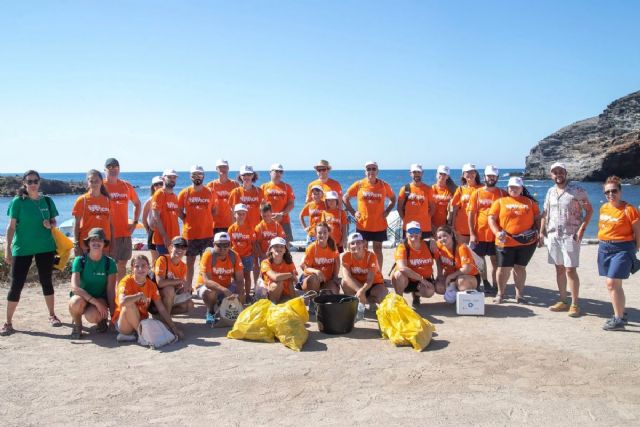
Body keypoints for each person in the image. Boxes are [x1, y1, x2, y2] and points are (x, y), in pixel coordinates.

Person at [2, 170, 61, 336]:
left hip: (45, 247)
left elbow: (54, 221)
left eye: (35, 181)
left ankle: (52, 315)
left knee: (46, 281)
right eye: (29, 181)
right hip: (22, 248)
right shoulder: (17, 202)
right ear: (24, 184)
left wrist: (50, 224)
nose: (33, 184)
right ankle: (8, 322)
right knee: (16, 284)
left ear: (39, 182)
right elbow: (11, 227)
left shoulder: (47, 201)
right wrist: (7, 249)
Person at [540, 162, 593, 317]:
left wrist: (582, 230)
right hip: (554, 235)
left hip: (571, 235)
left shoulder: (577, 191)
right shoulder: (550, 192)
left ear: (566, 173)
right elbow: (545, 213)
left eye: (561, 172)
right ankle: (563, 300)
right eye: (555, 172)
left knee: (570, 269)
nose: (558, 175)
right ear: (551, 175)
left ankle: (575, 304)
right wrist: (541, 233)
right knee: (559, 268)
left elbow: (589, 210)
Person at [488, 177, 541, 304]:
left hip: (526, 242)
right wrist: (497, 232)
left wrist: (540, 233)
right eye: (511, 187)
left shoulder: (530, 202)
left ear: (522, 188)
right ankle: (500, 294)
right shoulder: (500, 202)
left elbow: (538, 218)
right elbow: (491, 219)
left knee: (520, 268)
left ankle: (520, 295)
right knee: (503, 268)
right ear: (507, 188)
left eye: (517, 187)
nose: (514, 189)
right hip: (505, 241)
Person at [596, 175, 640, 331]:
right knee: (615, 285)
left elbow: (638, 233)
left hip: (622, 248)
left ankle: (619, 319)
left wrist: (635, 250)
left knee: (612, 283)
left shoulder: (630, 210)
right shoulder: (604, 208)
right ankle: (620, 313)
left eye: (614, 191)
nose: (610, 195)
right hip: (604, 248)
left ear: (620, 191)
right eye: (607, 192)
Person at [112, 255, 183, 343]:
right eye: (137, 266)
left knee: (165, 327)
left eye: (143, 265)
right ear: (132, 268)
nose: (140, 269)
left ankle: (132, 336)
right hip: (124, 323)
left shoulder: (151, 285)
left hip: (141, 320)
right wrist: (138, 296)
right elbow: (122, 302)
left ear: (148, 267)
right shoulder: (126, 281)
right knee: (129, 305)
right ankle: (141, 335)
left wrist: (173, 327)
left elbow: (161, 308)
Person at [344, 161, 396, 268]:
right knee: (363, 250)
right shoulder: (359, 184)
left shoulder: (383, 185)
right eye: (368, 169)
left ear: (377, 171)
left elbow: (393, 198)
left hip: (379, 224)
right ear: (365, 171)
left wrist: (388, 211)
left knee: (378, 249)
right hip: (363, 224)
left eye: (373, 169)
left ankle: (379, 273)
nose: (371, 171)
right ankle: (365, 272)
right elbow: (345, 198)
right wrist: (353, 212)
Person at [68, 228, 116, 339]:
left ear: (104, 244)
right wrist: (94, 302)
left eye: (100, 240)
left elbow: (110, 291)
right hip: (82, 298)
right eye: (93, 240)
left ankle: (101, 320)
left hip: (100, 298)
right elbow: (75, 287)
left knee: (92, 316)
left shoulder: (110, 263)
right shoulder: (79, 260)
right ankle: (78, 325)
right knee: (75, 302)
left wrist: (113, 317)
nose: (96, 243)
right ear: (88, 243)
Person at [467, 165, 506, 295]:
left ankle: (495, 284)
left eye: (493, 176)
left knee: (495, 261)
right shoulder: (476, 193)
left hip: (496, 234)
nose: (491, 178)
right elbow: (471, 215)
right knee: (480, 260)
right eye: (489, 175)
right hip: (480, 234)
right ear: (484, 176)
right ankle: (485, 282)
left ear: (497, 177)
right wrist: (472, 233)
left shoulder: (502, 193)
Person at [178, 165, 216, 291]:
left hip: (207, 235)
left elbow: (214, 210)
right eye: (194, 175)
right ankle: (188, 288)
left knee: (205, 264)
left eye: (199, 175)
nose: (197, 177)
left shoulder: (210, 192)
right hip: (190, 235)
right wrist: (186, 219)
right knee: (189, 264)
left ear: (203, 176)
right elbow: (179, 211)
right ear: (190, 176)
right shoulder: (185, 192)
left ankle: (204, 288)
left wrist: (205, 219)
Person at [103, 157, 141, 282]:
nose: (113, 169)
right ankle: (108, 294)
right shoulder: (101, 186)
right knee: (107, 266)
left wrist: (135, 223)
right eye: (110, 167)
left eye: (116, 167)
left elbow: (137, 203)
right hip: (107, 234)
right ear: (105, 170)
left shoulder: (126, 186)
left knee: (122, 265)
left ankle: (120, 292)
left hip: (124, 233)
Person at [197, 232, 245, 323]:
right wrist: (224, 290)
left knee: (242, 291)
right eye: (219, 245)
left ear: (230, 245)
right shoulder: (208, 255)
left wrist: (238, 294)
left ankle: (237, 311)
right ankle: (210, 312)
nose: (223, 248)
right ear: (214, 244)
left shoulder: (234, 255)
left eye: (226, 244)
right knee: (211, 291)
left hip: (226, 286)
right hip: (207, 287)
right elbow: (207, 281)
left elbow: (240, 279)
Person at [391, 221, 439, 306]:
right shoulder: (403, 247)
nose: (414, 234)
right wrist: (421, 279)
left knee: (430, 292)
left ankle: (416, 295)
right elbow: (402, 268)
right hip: (408, 280)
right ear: (406, 234)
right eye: (411, 232)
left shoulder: (429, 245)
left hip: (423, 279)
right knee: (399, 274)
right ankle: (399, 300)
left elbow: (439, 259)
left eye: (416, 231)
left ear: (420, 233)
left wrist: (433, 240)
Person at [341, 232, 388, 310]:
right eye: (352, 243)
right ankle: (355, 304)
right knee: (344, 283)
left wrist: (362, 291)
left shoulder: (371, 256)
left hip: (373, 284)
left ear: (363, 244)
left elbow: (370, 279)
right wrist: (360, 291)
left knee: (382, 295)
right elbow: (346, 277)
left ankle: (369, 302)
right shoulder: (346, 256)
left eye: (358, 242)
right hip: (357, 284)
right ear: (349, 246)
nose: (356, 245)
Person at [435, 225, 480, 304]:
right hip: (451, 277)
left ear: (451, 235)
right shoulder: (439, 246)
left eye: (445, 236)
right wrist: (440, 274)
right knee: (439, 287)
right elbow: (438, 259)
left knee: (461, 281)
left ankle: (466, 291)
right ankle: (455, 292)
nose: (442, 239)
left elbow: (467, 269)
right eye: (439, 237)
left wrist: (450, 276)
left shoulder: (461, 248)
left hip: (469, 276)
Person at [72, 169, 112, 256]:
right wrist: (76, 244)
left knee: (102, 269)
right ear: (88, 183)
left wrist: (113, 244)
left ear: (101, 181)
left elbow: (111, 224)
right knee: (86, 269)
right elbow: (76, 224)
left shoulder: (107, 200)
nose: (94, 183)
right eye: (91, 181)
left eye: (96, 181)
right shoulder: (82, 200)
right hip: (87, 245)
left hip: (104, 244)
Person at [154, 236, 193, 315]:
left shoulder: (183, 266)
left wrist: (185, 289)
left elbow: (177, 286)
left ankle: (162, 314)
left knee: (189, 305)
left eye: (183, 247)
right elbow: (160, 283)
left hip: (168, 296)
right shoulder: (162, 259)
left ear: (186, 250)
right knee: (169, 290)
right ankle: (167, 320)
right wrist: (181, 281)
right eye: (177, 246)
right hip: (155, 297)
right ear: (171, 247)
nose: (180, 250)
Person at [300, 222, 341, 294]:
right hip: (313, 279)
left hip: (327, 280)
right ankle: (313, 298)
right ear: (315, 234)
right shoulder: (312, 248)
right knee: (313, 279)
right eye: (319, 233)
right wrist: (317, 271)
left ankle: (321, 293)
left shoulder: (332, 245)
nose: (322, 235)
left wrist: (335, 276)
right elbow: (305, 268)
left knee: (334, 293)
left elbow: (337, 260)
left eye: (325, 232)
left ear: (328, 233)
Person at [397, 163, 435, 239]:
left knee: (425, 249)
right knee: (409, 250)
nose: (417, 174)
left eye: (419, 172)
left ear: (422, 173)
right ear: (410, 173)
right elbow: (399, 208)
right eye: (414, 172)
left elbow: (432, 208)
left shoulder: (428, 189)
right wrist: (405, 219)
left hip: (425, 228)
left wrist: (426, 218)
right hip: (409, 227)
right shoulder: (405, 189)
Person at [260, 163, 295, 242]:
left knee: (286, 245)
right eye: (276, 171)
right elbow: (261, 205)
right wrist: (267, 216)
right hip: (267, 221)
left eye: (281, 172)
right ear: (270, 172)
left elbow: (291, 204)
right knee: (266, 244)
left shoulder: (287, 187)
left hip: (284, 221)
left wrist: (281, 214)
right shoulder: (263, 187)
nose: (279, 173)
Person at [228, 203, 256, 299]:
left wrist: (253, 255)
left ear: (246, 214)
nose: (241, 216)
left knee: (247, 276)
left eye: (243, 213)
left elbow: (253, 242)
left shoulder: (250, 228)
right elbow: (229, 244)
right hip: (235, 257)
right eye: (239, 213)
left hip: (247, 256)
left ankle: (247, 295)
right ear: (235, 214)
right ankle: (238, 294)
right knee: (235, 277)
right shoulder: (231, 228)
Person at [258, 237, 298, 303]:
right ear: (271, 249)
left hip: (285, 293)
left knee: (289, 282)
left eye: (282, 247)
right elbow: (275, 277)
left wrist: (293, 299)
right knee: (278, 283)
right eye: (276, 246)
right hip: (268, 294)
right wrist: (290, 274)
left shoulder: (289, 263)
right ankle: (273, 304)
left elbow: (294, 281)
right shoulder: (265, 262)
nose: (279, 248)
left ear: (285, 250)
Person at [151, 169, 181, 256]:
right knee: (164, 265)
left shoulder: (174, 196)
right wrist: (165, 236)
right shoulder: (159, 194)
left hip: (175, 238)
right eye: (169, 177)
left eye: (174, 177)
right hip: (163, 239)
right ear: (164, 178)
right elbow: (156, 217)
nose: (172, 179)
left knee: (173, 266)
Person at [451, 163, 482, 244]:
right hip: (462, 227)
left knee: (478, 255)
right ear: (463, 175)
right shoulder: (460, 189)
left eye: (472, 172)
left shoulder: (483, 188)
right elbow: (455, 209)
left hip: (478, 227)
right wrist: (453, 225)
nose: (470, 174)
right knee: (463, 252)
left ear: (476, 174)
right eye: (467, 172)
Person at [207, 159, 238, 234]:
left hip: (231, 224)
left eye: (224, 167)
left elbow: (238, 205)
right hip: (215, 225)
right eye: (220, 167)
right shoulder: (211, 185)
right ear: (216, 169)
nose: (223, 169)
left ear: (228, 168)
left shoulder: (235, 185)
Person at [228, 165, 263, 231]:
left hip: (256, 228)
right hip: (241, 230)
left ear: (253, 175)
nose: (246, 177)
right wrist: (234, 230)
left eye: (249, 174)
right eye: (244, 175)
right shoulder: (235, 192)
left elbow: (262, 212)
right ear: (240, 176)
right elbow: (232, 214)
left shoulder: (259, 191)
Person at [141, 176, 164, 264]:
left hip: (166, 231)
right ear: (153, 187)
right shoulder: (149, 201)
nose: (159, 186)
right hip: (153, 231)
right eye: (156, 184)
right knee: (155, 260)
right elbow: (143, 218)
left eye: (161, 184)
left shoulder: (167, 198)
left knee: (165, 258)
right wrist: (148, 231)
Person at [431, 165, 456, 230]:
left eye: (444, 174)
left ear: (447, 176)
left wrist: (452, 225)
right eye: (440, 173)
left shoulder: (452, 190)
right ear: (436, 175)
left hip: (447, 226)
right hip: (432, 224)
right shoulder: (431, 189)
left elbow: (455, 209)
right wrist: (430, 224)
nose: (442, 176)